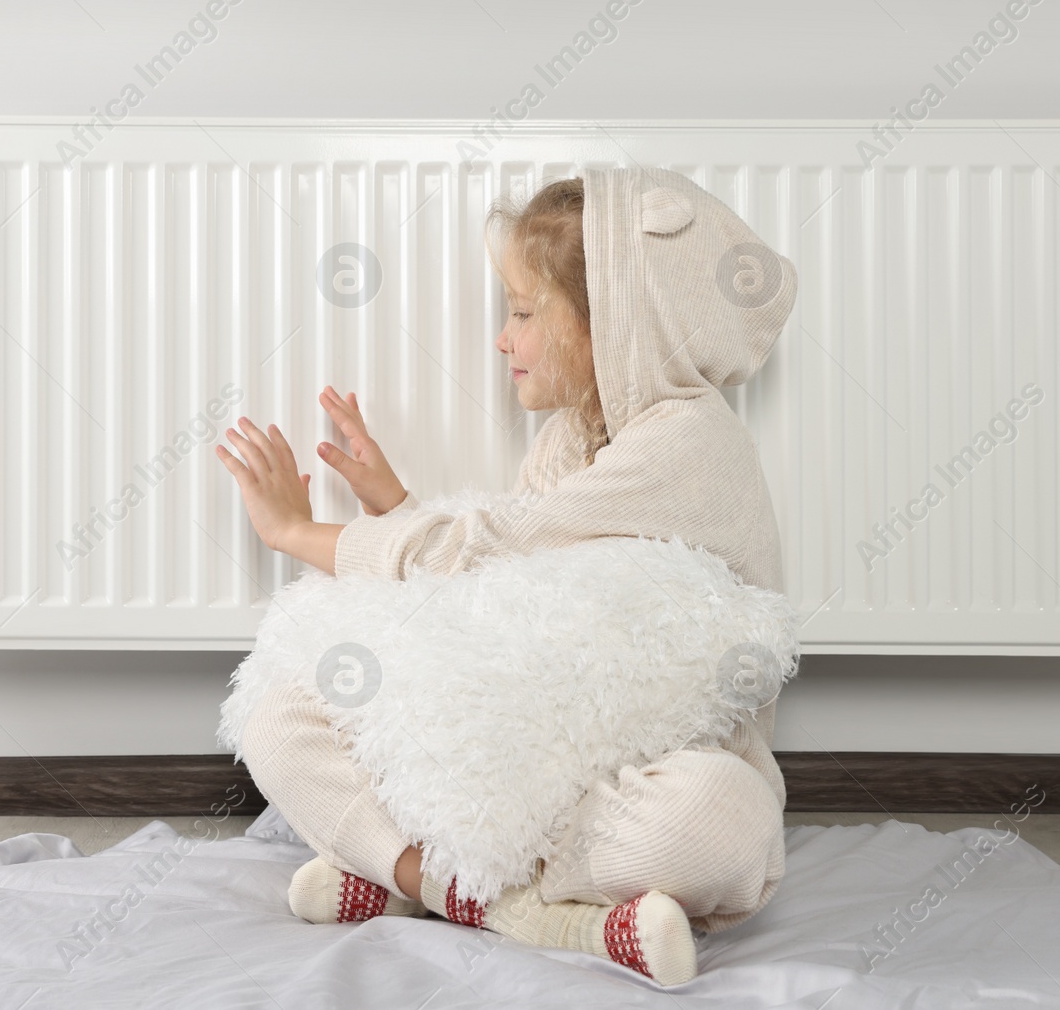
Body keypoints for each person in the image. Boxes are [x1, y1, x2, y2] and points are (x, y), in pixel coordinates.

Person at [217, 166, 797, 987]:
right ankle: (527, 908)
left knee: (725, 823)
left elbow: (483, 548)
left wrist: (297, 532)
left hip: (635, 779)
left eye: (524, 313)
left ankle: (418, 880)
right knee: (278, 715)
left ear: (613, 328)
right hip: (533, 768)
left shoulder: (686, 444)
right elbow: (494, 592)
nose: (502, 338)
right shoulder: (572, 437)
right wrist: (394, 503)